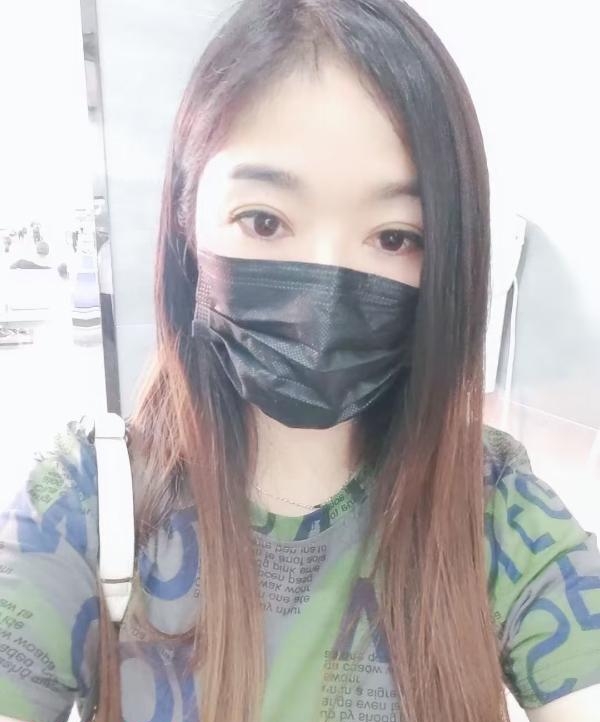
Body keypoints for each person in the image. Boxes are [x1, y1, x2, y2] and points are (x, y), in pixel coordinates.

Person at [1, 2, 599, 722]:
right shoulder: (81, 504)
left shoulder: (496, 511)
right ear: (187, 219)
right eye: (264, 221)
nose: (323, 290)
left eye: (394, 236)